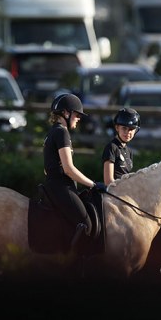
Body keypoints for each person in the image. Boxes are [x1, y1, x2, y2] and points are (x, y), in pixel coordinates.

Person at [43, 93, 106, 239]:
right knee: (86, 226)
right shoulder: (61, 133)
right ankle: (73, 261)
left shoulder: (53, 131)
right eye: (76, 115)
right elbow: (68, 169)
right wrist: (93, 184)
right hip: (61, 187)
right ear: (65, 112)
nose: (79, 119)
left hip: (55, 185)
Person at [102, 108, 140, 185]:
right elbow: (108, 181)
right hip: (114, 193)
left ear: (135, 131)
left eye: (131, 129)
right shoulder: (111, 147)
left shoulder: (129, 151)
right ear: (117, 128)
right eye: (124, 128)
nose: (127, 132)